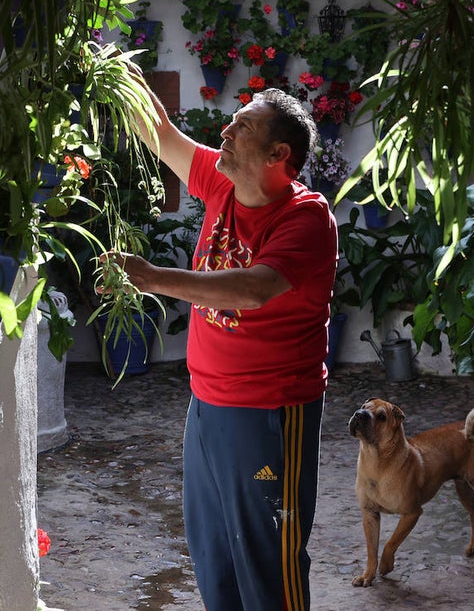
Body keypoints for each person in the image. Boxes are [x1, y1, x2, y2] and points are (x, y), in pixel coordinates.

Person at [100, 70, 337, 610]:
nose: (225, 132)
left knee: (269, 562)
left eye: (242, 127)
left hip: (271, 412)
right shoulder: (220, 181)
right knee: (215, 558)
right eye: (231, 122)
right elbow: (160, 135)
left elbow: (254, 289)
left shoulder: (307, 217)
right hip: (207, 407)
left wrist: (155, 277)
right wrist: (118, 75)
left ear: (278, 153)